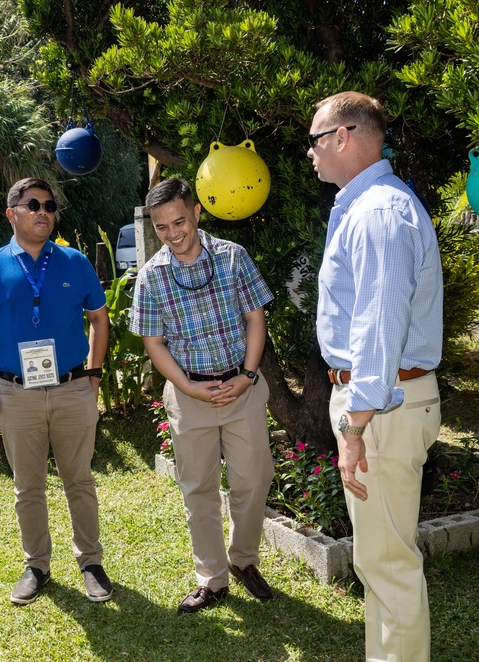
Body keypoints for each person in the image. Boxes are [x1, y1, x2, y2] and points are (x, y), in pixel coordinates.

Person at [307, 91, 443, 662]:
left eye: (314, 141)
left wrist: (356, 423)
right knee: (378, 560)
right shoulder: (368, 207)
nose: (309, 154)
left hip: (381, 407)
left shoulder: (378, 212)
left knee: (388, 564)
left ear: (343, 136)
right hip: (381, 401)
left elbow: (380, 329)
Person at [0, 178, 112, 605]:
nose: (43, 211)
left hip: (72, 388)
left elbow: (100, 319)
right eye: (33, 205)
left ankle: (91, 562)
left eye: (49, 205)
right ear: (12, 213)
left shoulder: (75, 262)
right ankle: (37, 566)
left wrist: (93, 376)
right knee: (28, 486)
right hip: (16, 393)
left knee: (79, 480)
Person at [129, 177, 276, 613]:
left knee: (254, 480)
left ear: (195, 212)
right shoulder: (152, 276)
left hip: (242, 388)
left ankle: (243, 560)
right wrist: (187, 386)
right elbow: (153, 343)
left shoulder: (233, 257)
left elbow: (255, 318)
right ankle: (212, 578)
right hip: (189, 394)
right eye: (161, 227)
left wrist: (248, 375)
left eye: (179, 221)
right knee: (199, 491)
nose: (173, 233)